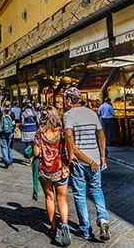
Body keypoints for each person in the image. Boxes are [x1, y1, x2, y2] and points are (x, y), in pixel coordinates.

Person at [63, 87, 111, 242]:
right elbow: (101, 135)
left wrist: (71, 154)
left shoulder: (68, 115)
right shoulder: (91, 113)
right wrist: (102, 156)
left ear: (69, 101)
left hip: (79, 161)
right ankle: (103, 219)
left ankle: (85, 229)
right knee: (97, 190)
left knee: (80, 194)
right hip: (95, 160)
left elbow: (69, 136)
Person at [33, 106, 72, 247]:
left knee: (50, 198)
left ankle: (54, 228)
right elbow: (68, 149)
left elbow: (36, 153)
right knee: (62, 199)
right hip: (61, 169)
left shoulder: (39, 132)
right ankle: (65, 225)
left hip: (45, 171)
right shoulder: (61, 132)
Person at [0, 101, 18, 168]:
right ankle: (10, 159)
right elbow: (14, 123)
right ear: (10, 106)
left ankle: (6, 160)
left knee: (4, 146)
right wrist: (13, 130)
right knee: (10, 146)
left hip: (3, 132)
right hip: (10, 133)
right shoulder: (12, 114)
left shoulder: (1, 113)